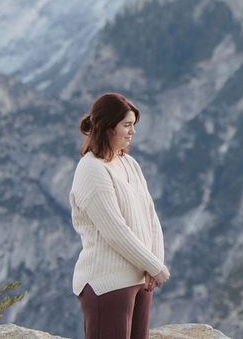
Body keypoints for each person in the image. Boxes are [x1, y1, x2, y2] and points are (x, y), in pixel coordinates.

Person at [69, 93, 170, 339]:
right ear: (107, 127)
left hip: (140, 280)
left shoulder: (130, 164)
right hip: (108, 284)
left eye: (133, 125)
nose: (132, 132)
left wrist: (153, 263)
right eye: (127, 125)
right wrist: (153, 265)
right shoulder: (92, 170)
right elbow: (115, 231)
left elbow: (150, 217)